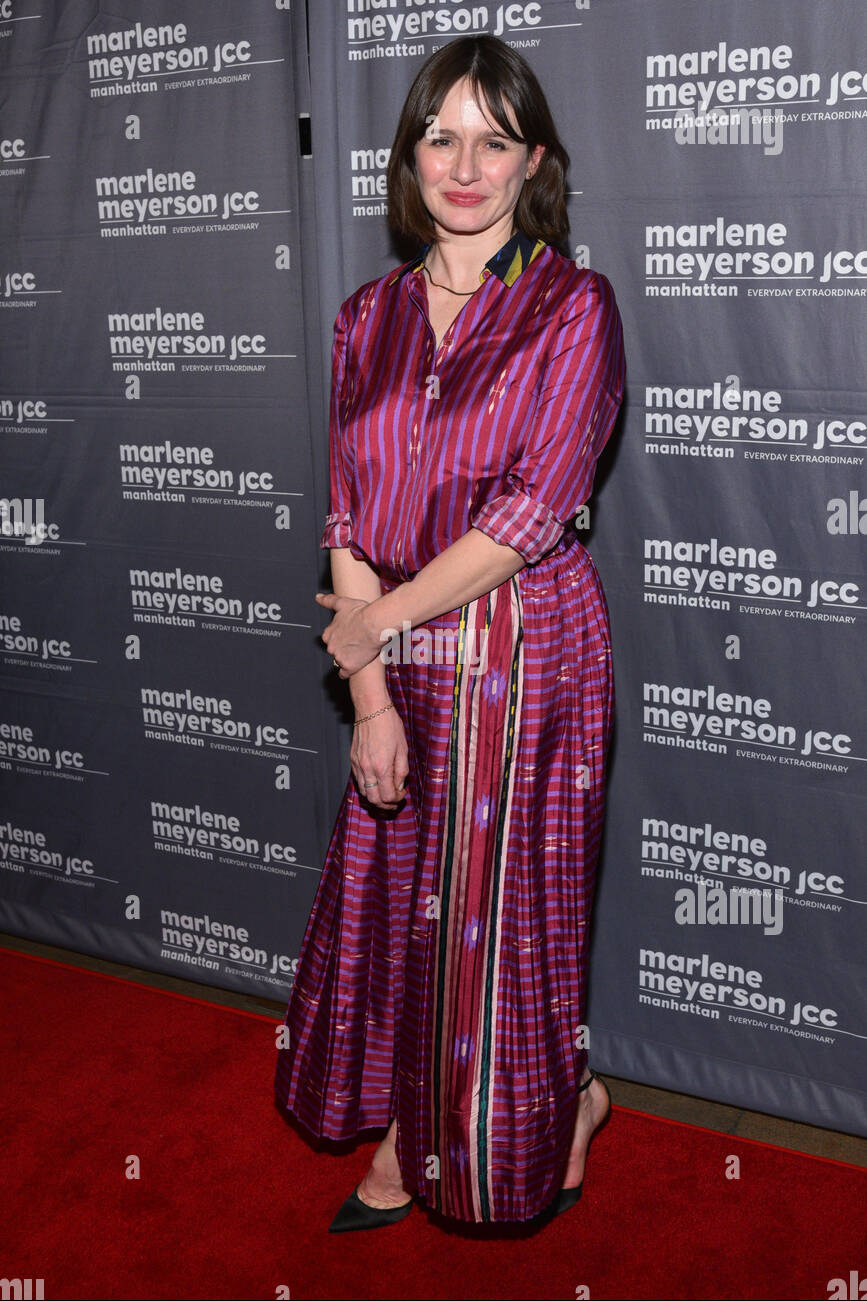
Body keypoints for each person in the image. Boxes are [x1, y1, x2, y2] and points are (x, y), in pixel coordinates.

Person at [274, 34, 626, 1229]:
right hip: (401, 653)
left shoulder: (574, 308)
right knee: (399, 893)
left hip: (525, 654)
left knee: (497, 910)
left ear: (534, 161)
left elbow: (530, 514)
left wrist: (371, 623)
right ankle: (520, 1103)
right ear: (410, 154)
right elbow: (345, 504)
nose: (464, 165)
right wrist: (369, 689)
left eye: (494, 139)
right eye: (441, 135)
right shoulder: (364, 314)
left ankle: (471, 1141)